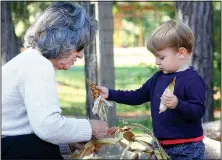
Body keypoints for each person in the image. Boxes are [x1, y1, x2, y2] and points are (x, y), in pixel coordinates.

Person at [2, 2, 110, 159]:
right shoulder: (38, 65)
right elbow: (49, 126)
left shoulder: (28, 60)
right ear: (64, 40)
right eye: (79, 47)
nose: (80, 55)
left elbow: (32, 125)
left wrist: (66, 144)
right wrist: (91, 127)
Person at [97, 20, 206, 160]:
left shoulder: (192, 80)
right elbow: (138, 95)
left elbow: (198, 112)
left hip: (186, 148)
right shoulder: (158, 77)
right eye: (155, 57)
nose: (156, 62)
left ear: (181, 53)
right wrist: (110, 93)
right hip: (159, 146)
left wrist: (177, 104)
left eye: (161, 57)